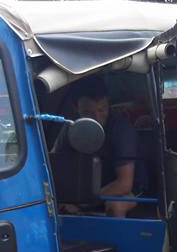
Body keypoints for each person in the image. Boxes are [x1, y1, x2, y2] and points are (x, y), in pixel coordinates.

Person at [56, 76, 148, 218]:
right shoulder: (69, 127)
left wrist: (81, 203)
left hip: (129, 190)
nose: (97, 118)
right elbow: (56, 161)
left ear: (108, 105)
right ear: (76, 109)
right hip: (84, 192)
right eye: (88, 112)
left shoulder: (121, 129)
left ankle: (118, 240)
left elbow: (124, 183)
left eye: (102, 110)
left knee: (115, 206)